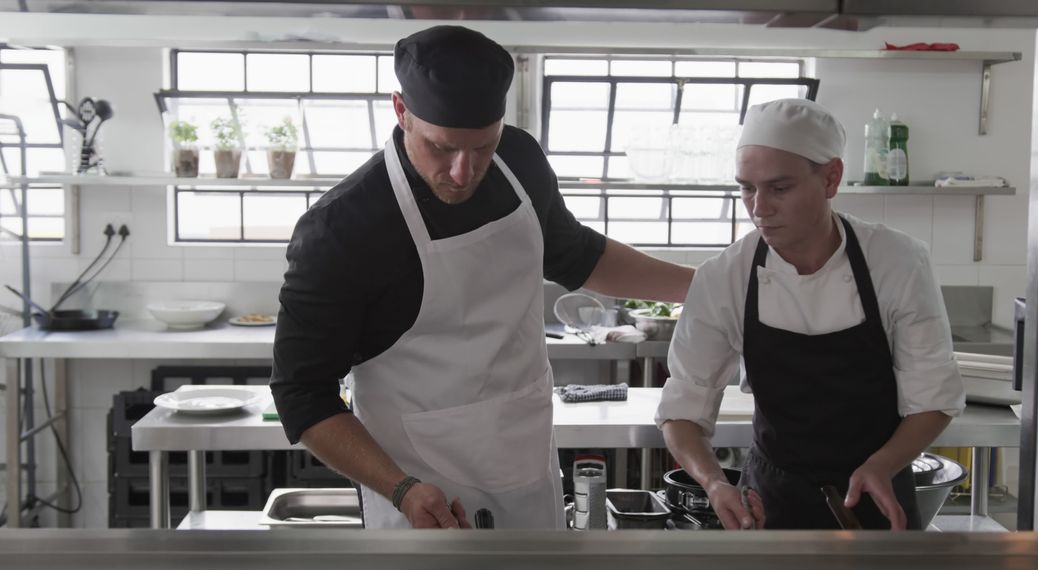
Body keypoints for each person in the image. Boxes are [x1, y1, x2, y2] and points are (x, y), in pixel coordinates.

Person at [271, 25, 694, 530]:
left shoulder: (520, 160)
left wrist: (707, 285)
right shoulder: (341, 229)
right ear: (400, 110)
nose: (462, 172)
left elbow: (575, 255)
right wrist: (400, 488)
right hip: (417, 485)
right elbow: (301, 393)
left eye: (482, 147)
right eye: (441, 147)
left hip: (523, 456)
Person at [656, 98, 965, 531]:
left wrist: (883, 464)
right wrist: (713, 483)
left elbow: (934, 397)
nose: (759, 207)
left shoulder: (896, 262)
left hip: (878, 491)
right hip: (769, 501)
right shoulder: (725, 276)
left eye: (779, 188)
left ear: (831, 177)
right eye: (746, 187)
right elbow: (682, 409)